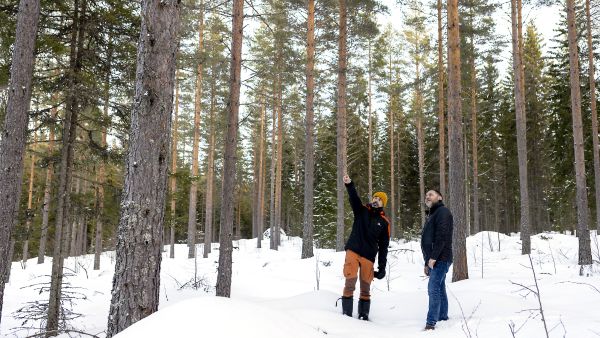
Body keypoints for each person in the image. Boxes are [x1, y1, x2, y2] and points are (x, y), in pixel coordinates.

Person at [339, 174, 390, 321]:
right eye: (375, 197)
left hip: (369, 255)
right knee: (350, 280)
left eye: (379, 199)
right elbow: (354, 198)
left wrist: (382, 267)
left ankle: (363, 315)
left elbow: (384, 247)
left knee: (365, 287)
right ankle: (346, 316)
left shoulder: (384, 222)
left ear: (383, 204)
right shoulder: (361, 211)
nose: (376, 200)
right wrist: (349, 184)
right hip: (353, 250)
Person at [420, 189, 453, 330]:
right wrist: (427, 262)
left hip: (441, 257)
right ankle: (443, 316)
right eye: (426, 195)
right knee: (439, 287)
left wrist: (433, 257)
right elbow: (428, 240)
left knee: (433, 288)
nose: (428, 196)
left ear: (439, 197)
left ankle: (430, 323)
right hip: (434, 259)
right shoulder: (433, 214)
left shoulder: (443, 212)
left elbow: (442, 236)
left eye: (431, 194)